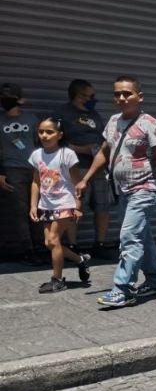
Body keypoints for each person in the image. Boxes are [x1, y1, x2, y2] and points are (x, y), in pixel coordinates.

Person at [77, 75, 156, 308]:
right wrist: (86, 179)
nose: (121, 98)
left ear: (139, 97)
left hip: (143, 189)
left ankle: (123, 290)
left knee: (129, 238)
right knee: (143, 238)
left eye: (127, 93)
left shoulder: (150, 124)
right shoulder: (112, 121)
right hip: (121, 191)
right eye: (117, 94)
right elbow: (103, 152)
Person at [28, 117, 92, 293]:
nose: (44, 135)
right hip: (46, 204)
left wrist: (78, 207)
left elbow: (77, 181)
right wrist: (33, 206)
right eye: (41, 131)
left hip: (65, 202)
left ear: (59, 135)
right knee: (49, 243)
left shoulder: (67, 154)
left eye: (50, 132)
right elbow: (35, 182)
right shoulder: (36, 155)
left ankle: (57, 280)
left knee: (54, 239)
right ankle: (81, 260)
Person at [55, 79, 113, 259]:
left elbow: (104, 140)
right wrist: (81, 149)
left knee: (102, 206)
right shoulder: (62, 114)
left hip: (98, 168)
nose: (91, 100)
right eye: (87, 96)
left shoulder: (94, 114)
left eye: (93, 96)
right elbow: (55, 140)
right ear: (77, 95)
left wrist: (95, 150)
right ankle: (73, 245)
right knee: (74, 207)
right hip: (74, 169)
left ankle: (100, 244)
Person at [0, 83, 45, 264]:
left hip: (34, 170)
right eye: (3, 97)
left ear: (21, 100)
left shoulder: (32, 119)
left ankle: (41, 247)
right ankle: (28, 250)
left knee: (38, 210)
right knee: (20, 212)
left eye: (9, 97)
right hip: (11, 170)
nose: (5, 101)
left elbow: (41, 144)